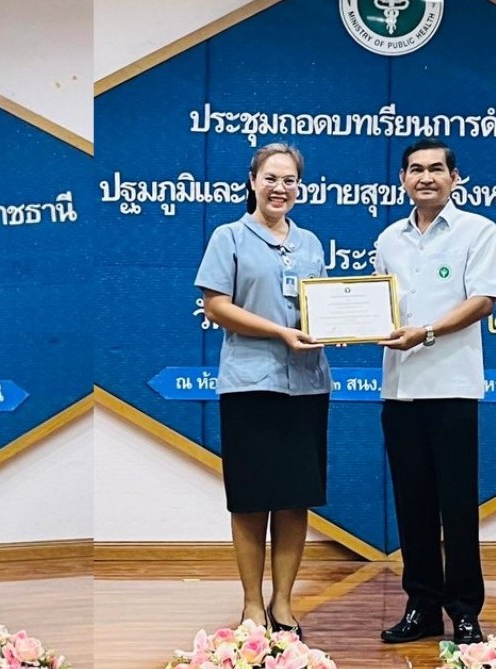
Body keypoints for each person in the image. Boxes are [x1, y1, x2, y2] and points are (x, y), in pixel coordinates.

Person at [374, 137, 496, 645]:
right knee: (412, 505)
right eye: (415, 169)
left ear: (455, 178)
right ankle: (422, 608)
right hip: (400, 391)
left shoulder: (479, 230)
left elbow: (484, 299)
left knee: (456, 505)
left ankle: (465, 610)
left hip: (452, 388)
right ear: (403, 179)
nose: (425, 177)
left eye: (435, 169)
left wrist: (426, 332)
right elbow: (379, 307)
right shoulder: (389, 239)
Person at [194, 143, 331, 638]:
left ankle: (283, 604)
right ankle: (252, 604)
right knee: (251, 500)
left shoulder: (312, 243)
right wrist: (279, 332)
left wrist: (335, 324)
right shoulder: (228, 236)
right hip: (251, 385)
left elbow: (322, 307)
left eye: (289, 180)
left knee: (294, 500)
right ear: (252, 181)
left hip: (308, 385)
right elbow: (216, 307)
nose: (280, 188)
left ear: (299, 186)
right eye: (271, 178)